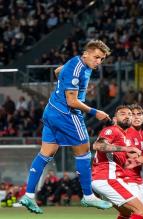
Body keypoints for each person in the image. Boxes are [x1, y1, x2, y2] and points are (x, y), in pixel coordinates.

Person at [20, 40, 113, 214]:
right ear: (86, 54)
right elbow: (72, 101)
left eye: (101, 59)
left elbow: (57, 71)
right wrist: (95, 112)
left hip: (51, 110)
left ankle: (29, 195)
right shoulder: (78, 71)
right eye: (97, 57)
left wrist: (65, 83)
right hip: (66, 114)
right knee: (84, 151)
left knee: (45, 153)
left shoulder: (75, 61)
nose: (99, 62)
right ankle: (88, 196)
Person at [91, 105, 143, 219]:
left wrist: (127, 159)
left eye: (129, 114)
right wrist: (126, 149)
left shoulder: (123, 136)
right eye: (122, 114)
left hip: (105, 179)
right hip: (107, 178)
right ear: (115, 119)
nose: (127, 116)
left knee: (126, 214)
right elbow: (98, 145)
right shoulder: (112, 130)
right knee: (142, 211)